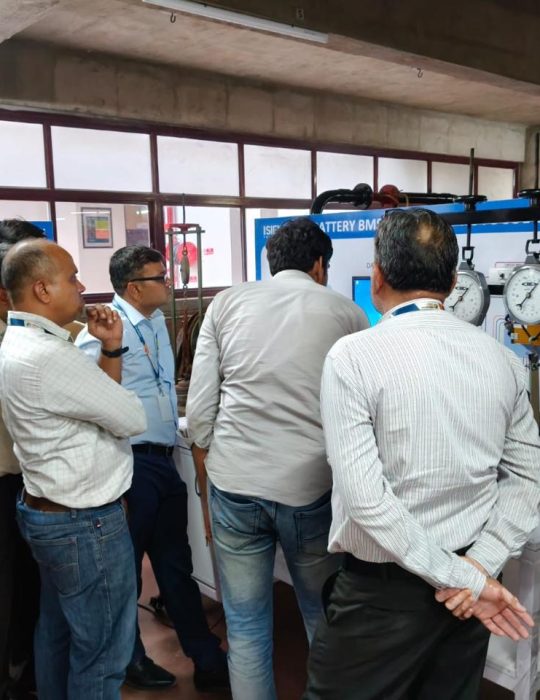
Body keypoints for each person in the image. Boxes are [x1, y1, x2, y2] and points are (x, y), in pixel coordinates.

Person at [303, 208, 540, 700]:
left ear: (378, 276)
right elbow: (527, 476)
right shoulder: (503, 360)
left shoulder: (352, 357)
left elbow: (366, 501)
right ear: (452, 282)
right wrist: (476, 570)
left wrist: (465, 577)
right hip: (468, 593)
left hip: (384, 597)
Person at [186, 216, 369, 700]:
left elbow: (200, 410)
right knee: (321, 615)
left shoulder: (226, 303)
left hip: (235, 485)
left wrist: (214, 456)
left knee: (245, 624)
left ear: (271, 261)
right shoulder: (347, 313)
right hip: (310, 486)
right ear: (319, 265)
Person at [75, 245, 229, 693]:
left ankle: (206, 657)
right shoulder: (100, 335)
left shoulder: (157, 322)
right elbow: (92, 403)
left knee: (175, 564)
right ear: (133, 288)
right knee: (125, 571)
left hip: (163, 460)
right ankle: (131, 659)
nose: (169, 283)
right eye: (160, 277)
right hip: (129, 464)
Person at [0, 238, 147, 700]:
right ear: (42, 289)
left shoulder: (18, 341)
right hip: (85, 524)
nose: (82, 287)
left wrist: (110, 348)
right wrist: (115, 371)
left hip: (48, 513)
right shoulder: (51, 357)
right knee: (102, 654)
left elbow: (101, 407)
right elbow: (131, 417)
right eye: (72, 278)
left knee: (58, 632)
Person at [0, 221, 46, 700]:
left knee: (31, 585)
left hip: (31, 481)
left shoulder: (31, 331)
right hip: (6, 478)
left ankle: (28, 674)